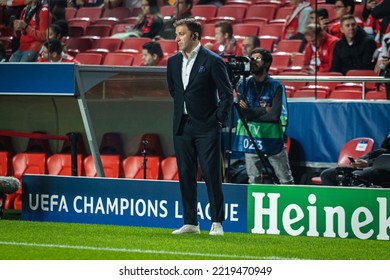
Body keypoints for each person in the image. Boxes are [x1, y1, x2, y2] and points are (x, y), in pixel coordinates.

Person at [167, 17, 233, 235]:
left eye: (181, 34)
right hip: (182, 126)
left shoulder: (213, 60)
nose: (177, 38)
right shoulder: (173, 62)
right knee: (185, 174)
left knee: (211, 174)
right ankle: (191, 223)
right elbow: (175, 91)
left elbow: (226, 95)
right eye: (176, 34)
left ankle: (217, 222)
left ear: (194, 36)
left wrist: (217, 120)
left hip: (207, 127)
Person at [236, 48, 294, 185]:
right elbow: (242, 114)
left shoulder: (276, 86)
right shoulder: (243, 85)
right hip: (252, 138)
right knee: (254, 180)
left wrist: (251, 111)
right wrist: (263, 110)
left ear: (267, 64)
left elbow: (274, 116)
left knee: (285, 179)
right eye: (252, 58)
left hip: (272, 138)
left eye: (257, 59)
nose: (253, 62)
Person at [320, 132, 390, 186]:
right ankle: (336, 202)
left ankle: (354, 202)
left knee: (355, 175)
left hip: (384, 167)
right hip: (373, 164)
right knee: (326, 174)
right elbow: (381, 150)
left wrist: (369, 163)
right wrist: (361, 159)